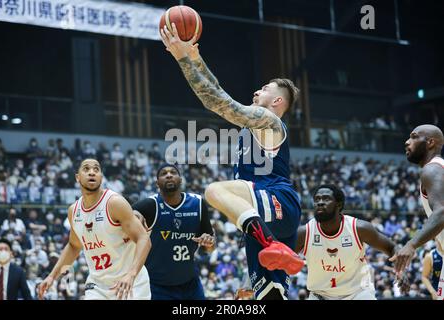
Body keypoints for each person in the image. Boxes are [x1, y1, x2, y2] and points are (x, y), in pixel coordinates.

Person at [161, 24, 304, 300]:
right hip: (265, 214)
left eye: (264, 88)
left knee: (215, 190)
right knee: (264, 296)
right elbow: (215, 88)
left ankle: (269, 242)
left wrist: (181, 58)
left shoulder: (270, 121)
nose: (256, 91)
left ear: (276, 100)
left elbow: (217, 101)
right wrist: (194, 56)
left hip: (275, 199)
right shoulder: (257, 124)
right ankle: (271, 247)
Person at [37, 158, 151, 300]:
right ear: (78, 177)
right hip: (98, 286)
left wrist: (131, 274)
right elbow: (74, 246)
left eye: (96, 169)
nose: (92, 172)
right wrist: (52, 276)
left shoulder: (114, 203)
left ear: (101, 177)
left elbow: (144, 238)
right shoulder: (74, 211)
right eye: (86, 169)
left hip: (129, 283)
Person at [294, 185, 408, 300]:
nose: (320, 202)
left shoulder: (359, 228)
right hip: (320, 295)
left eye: (326, 198)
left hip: (358, 294)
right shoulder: (304, 232)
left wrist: (401, 270)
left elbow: (392, 247)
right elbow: (282, 258)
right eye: (317, 199)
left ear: (339, 205)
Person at [132, 163, 215, 300]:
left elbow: (210, 249)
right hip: (157, 287)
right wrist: (133, 214)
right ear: (157, 182)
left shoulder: (197, 203)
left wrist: (209, 242)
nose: (169, 175)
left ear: (180, 179)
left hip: (191, 284)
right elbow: (125, 217)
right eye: (163, 173)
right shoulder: (149, 205)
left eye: (173, 172)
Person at [390, 124, 444, 299]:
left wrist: (412, 245)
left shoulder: (432, 169)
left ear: (430, 143)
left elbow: (442, 212)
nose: (407, 142)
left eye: (414, 137)